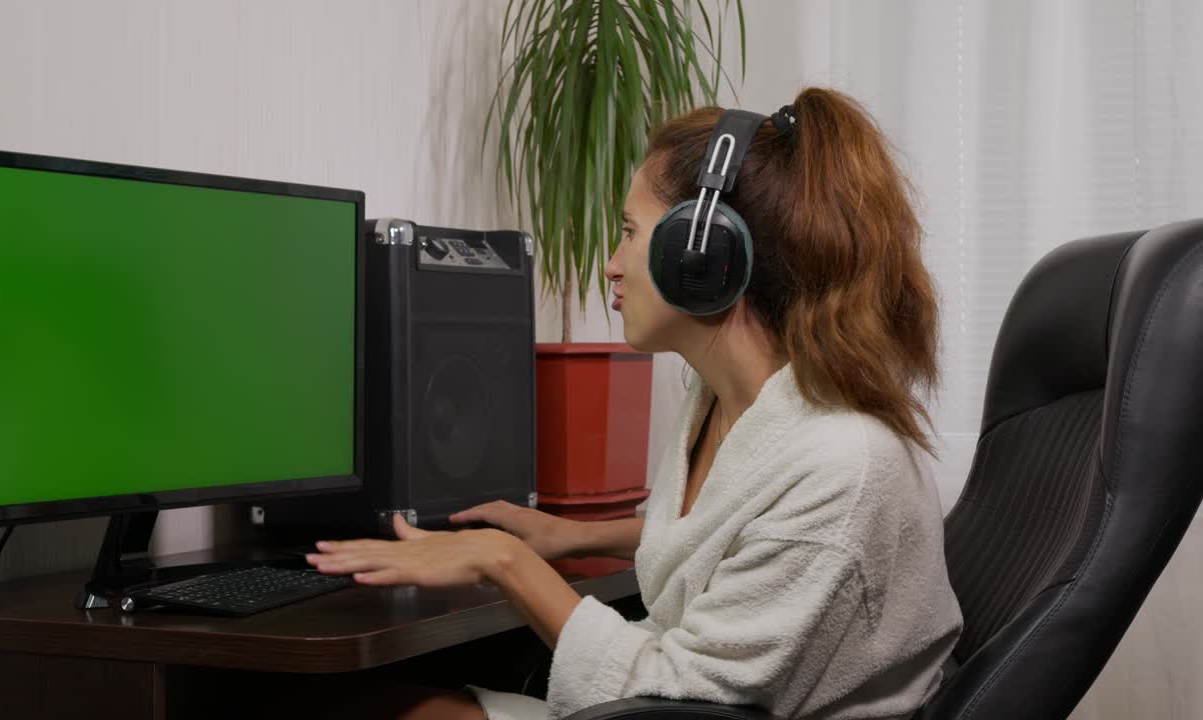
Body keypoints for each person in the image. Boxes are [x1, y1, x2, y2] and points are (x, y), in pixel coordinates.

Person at [305, 86, 963, 719]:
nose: (611, 266)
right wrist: (578, 535)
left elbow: (678, 698)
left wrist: (502, 561)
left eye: (629, 232)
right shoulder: (730, 404)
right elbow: (726, 537)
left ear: (699, 254)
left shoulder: (841, 464)